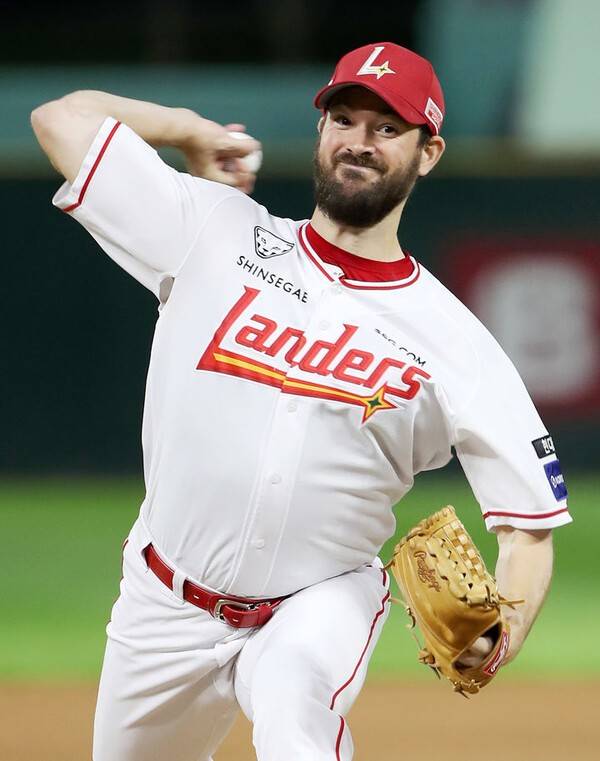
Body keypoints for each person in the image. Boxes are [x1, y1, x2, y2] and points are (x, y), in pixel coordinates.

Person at [31, 42, 571, 761]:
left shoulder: (456, 341)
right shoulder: (213, 229)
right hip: (163, 601)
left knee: (296, 717)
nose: (359, 141)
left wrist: (503, 637)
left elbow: (530, 526)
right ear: (320, 130)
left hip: (319, 602)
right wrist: (186, 126)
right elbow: (61, 119)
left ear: (429, 153)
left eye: (387, 128)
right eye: (344, 119)